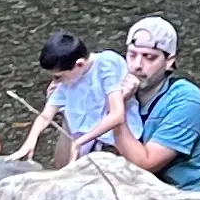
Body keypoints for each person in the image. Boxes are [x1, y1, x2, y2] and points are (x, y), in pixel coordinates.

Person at [114, 15, 200, 191]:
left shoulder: (187, 100)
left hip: (192, 198)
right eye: (132, 55)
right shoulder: (116, 89)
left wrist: (116, 110)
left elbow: (146, 164)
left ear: (169, 62)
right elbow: (68, 162)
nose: (137, 65)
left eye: (149, 57)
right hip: (140, 195)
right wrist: (70, 108)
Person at [21, 29, 131, 166]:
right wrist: (31, 140)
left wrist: (81, 140)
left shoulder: (106, 63)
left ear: (79, 64)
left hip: (114, 140)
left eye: (57, 76)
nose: (55, 82)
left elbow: (117, 114)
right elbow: (46, 116)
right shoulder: (67, 81)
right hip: (86, 144)